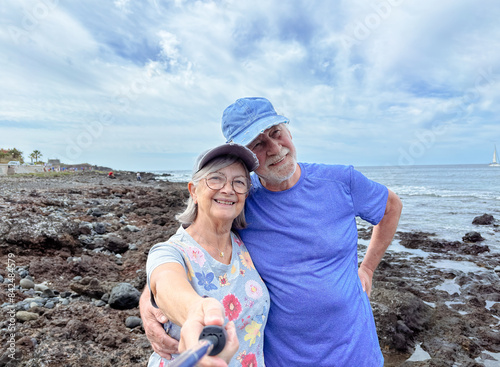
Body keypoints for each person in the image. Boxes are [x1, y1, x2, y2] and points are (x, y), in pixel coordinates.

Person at [141, 97, 403, 366]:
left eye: (276, 133)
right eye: (258, 144)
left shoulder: (340, 182)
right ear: (246, 156)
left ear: (288, 131)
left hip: (356, 353)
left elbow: (391, 207)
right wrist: (151, 300)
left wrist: (368, 268)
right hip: (283, 359)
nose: (276, 148)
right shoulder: (242, 197)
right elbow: (177, 255)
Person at [146, 142, 269, 367]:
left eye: (239, 182)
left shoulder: (247, 243)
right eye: (216, 178)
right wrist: (195, 312)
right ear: (193, 190)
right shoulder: (170, 252)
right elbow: (164, 283)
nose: (228, 189)